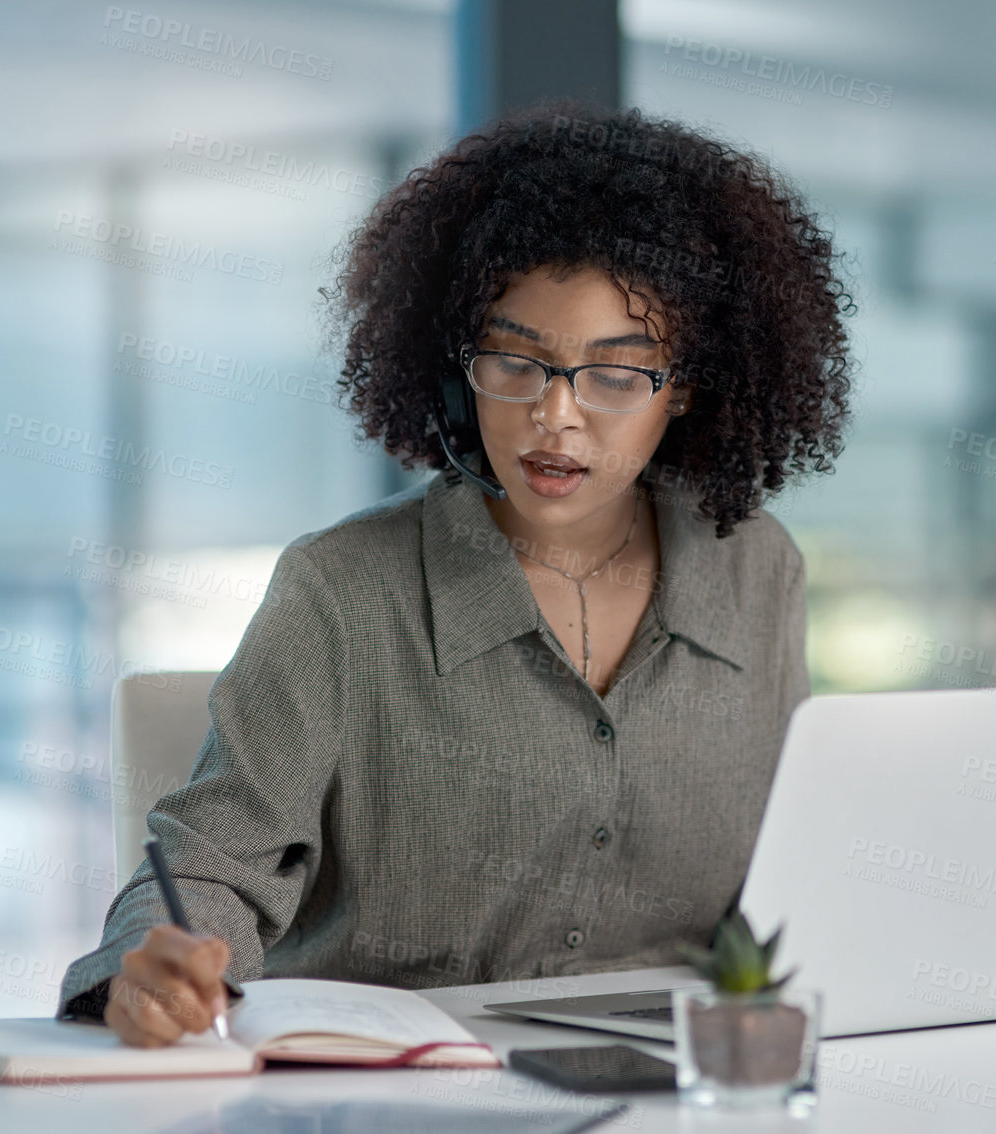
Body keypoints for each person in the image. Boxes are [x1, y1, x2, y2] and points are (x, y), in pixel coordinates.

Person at [56, 97, 856, 1047]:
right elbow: (209, 867)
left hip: (675, 1087)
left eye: (613, 374)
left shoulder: (757, 572)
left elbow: (785, 883)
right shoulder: (343, 591)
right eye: (515, 362)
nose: (555, 417)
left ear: (684, 388)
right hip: (393, 1090)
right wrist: (154, 962)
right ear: (452, 362)